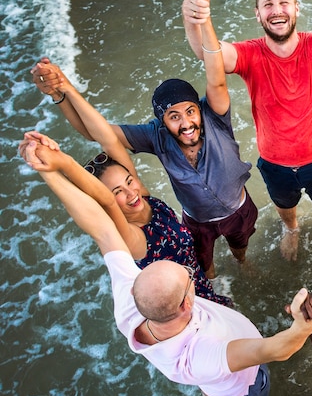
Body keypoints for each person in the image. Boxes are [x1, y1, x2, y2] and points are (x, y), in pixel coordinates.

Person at [20, 137, 312, 396]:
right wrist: (305, 323)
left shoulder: (133, 298)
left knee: (210, 379)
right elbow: (276, 350)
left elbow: (99, 227)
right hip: (239, 385)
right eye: (187, 277)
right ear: (188, 303)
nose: (190, 272)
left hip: (208, 366)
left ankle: (211, 394)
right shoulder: (198, 354)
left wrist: (51, 168)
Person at [33, 0, 257, 279]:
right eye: (173, 117)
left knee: (241, 244)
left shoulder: (215, 116)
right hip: (198, 221)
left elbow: (216, 76)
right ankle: (213, 281)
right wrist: (61, 94)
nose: (186, 123)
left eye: (190, 112)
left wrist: (203, 19)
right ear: (162, 122)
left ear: (198, 109)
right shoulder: (156, 136)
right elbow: (96, 133)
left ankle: (242, 262)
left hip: (238, 208)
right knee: (204, 264)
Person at [183, 0, 312, 260]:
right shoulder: (249, 54)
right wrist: (192, 17)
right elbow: (206, 53)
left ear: (296, 8)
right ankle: (292, 230)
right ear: (258, 14)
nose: (277, 11)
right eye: (268, 5)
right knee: (284, 206)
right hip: (274, 162)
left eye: (284, 3)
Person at [20, 130, 233, 306]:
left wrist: (63, 88)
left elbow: (109, 139)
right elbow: (106, 202)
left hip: (200, 286)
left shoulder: (147, 201)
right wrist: (60, 164)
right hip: (187, 308)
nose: (131, 193)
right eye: (117, 191)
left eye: (129, 181)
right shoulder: (130, 237)